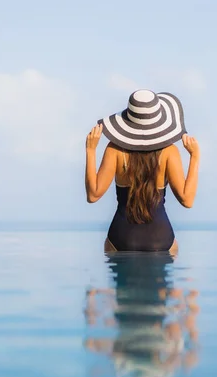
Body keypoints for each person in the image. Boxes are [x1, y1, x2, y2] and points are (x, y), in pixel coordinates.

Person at [85, 89, 200, 255]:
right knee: (173, 253)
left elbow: (93, 195)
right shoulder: (170, 151)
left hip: (121, 237)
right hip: (161, 238)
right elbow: (187, 200)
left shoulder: (114, 150)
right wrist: (195, 156)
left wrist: (90, 150)